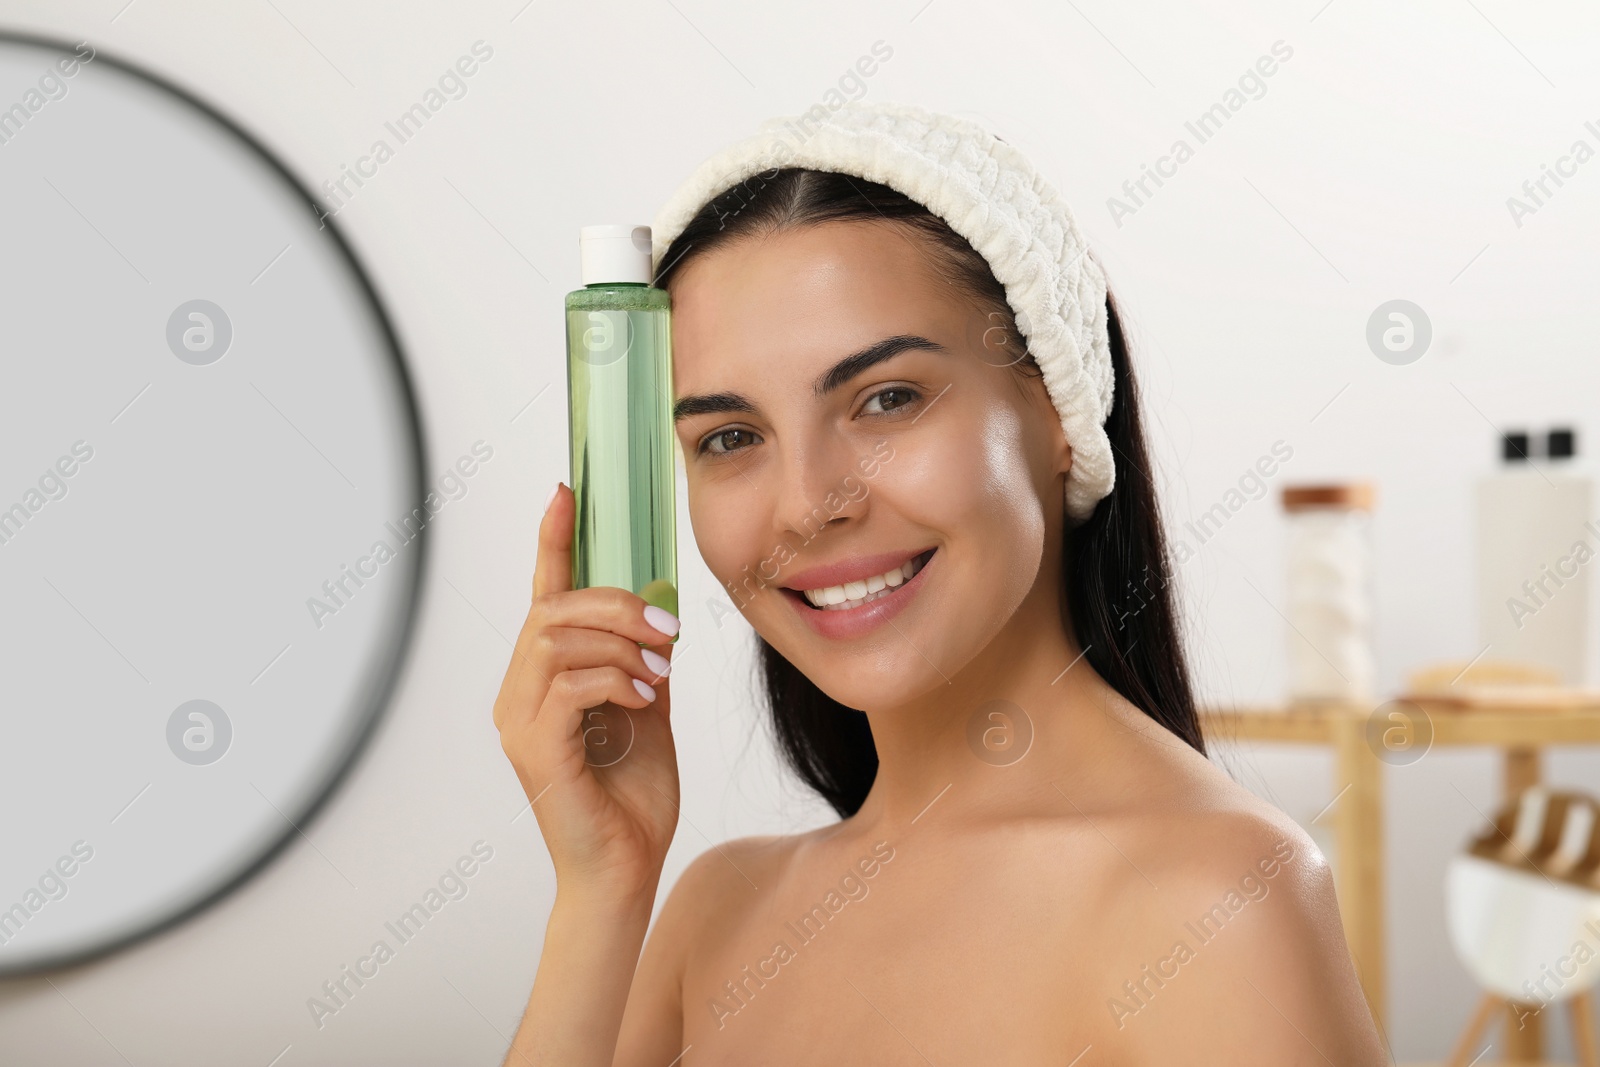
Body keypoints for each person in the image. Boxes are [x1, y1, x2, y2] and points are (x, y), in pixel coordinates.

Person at [492, 105, 1387, 1065]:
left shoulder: (1218, 905)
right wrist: (601, 891)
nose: (806, 505)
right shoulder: (714, 914)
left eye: (887, 399)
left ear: (1059, 410)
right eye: (731, 438)